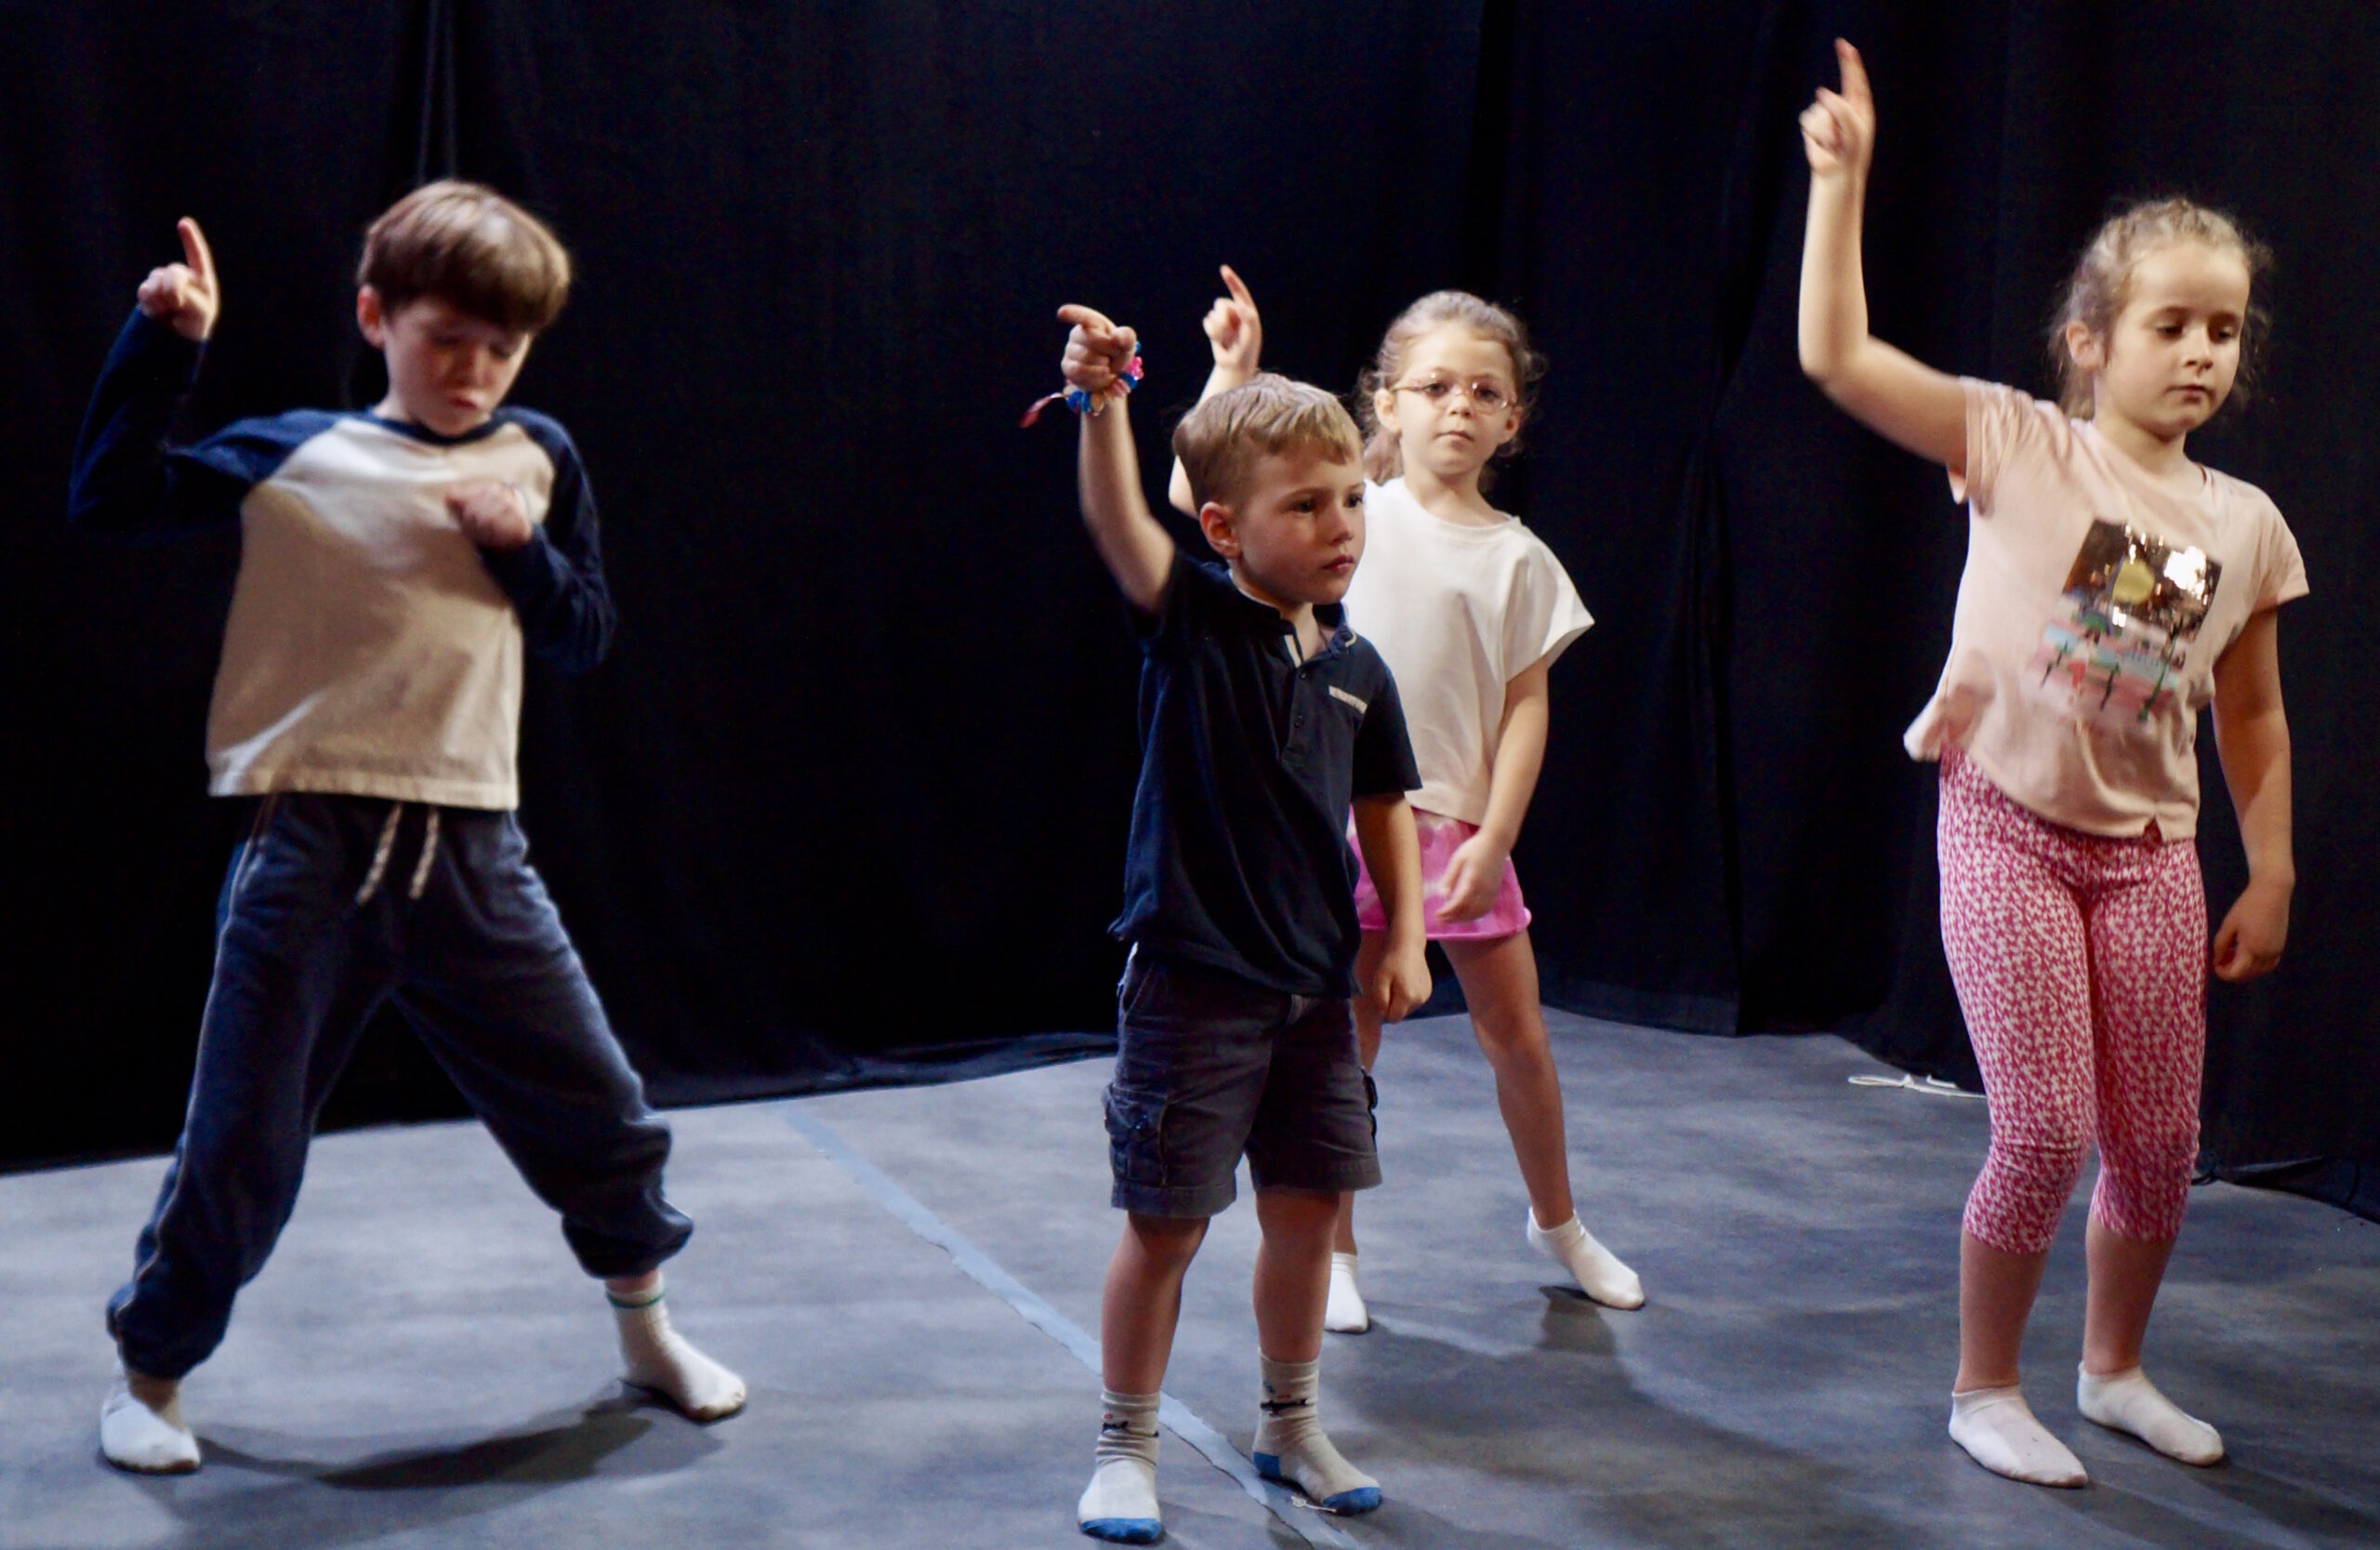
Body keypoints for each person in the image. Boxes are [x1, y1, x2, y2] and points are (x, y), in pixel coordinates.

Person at [69, 183, 746, 1475]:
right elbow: (111, 499)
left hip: (474, 851)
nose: (474, 369)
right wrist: (165, 344)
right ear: (375, 315)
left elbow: (584, 635)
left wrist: (523, 550)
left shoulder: (537, 456)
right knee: (241, 1144)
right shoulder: (299, 452)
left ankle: (649, 1337)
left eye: (503, 347)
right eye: (447, 338)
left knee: (600, 1112)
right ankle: (148, 1378)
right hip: (310, 844)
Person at [1798, 43, 2304, 1487]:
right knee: (2042, 1129)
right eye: (2171, 324)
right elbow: (1838, 359)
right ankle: (1985, 1385)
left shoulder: (2247, 522)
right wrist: (1842, 187)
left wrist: (2271, 869)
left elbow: (2253, 716)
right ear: (2091, 338)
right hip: (2005, 827)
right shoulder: (2017, 442)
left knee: (2158, 1141)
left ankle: (2114, 1367)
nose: (2201, 352)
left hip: (2147, 856)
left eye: (2224, 330)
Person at [1169, 270, 1644, 1333]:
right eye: (1434, 386)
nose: (1458, 407)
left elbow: (1525, 707)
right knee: (1342, 1048)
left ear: (1511, 419)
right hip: (1337, 828)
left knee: (1517, 1034)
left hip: (1458, 835)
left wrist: (1496, 833)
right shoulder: (1353, 514)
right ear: (1385, 402)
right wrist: (1233, 371)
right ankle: (1333, 1246)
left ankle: (1558, 1221)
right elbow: (1199, 498)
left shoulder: (1519, 557)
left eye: (1484, 392)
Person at [1050, 302, 1430, 1542]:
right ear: (1223, 528)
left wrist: (1402, 936)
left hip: (1313, 991)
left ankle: (1289, 1419)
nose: (1340, 525)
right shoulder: (1196, 621)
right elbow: (1120, 520)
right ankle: (1126, 1440)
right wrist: (1103, 405)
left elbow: (1385, 805)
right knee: (1166, 1221)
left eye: (1351, 499)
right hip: (1195, 981)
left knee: (1307, 1209)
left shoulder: (1359, 665)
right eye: (1305, 506)